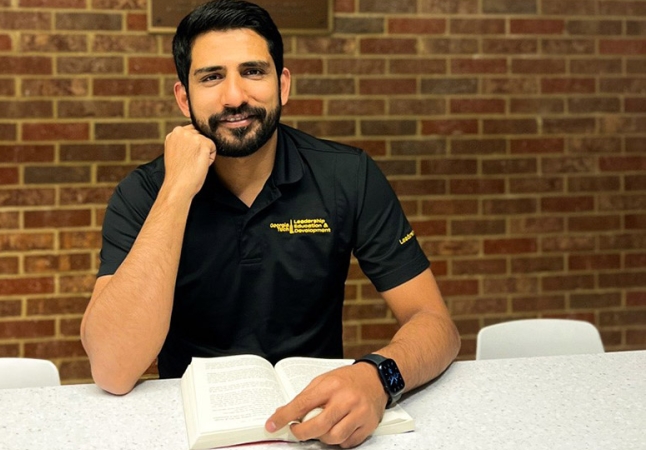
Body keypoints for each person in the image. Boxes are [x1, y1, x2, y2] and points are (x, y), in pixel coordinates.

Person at [81, 0, 460, 447]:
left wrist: (378, 377)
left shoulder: (347, 175)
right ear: (183, 98)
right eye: (211, 77)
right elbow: (112, 368)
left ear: (283, 85)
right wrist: (177, 191)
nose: (235, 97)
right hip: (191, 431)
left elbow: (436, 324)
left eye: (253, 72)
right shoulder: (145, 193)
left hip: (319, 428)